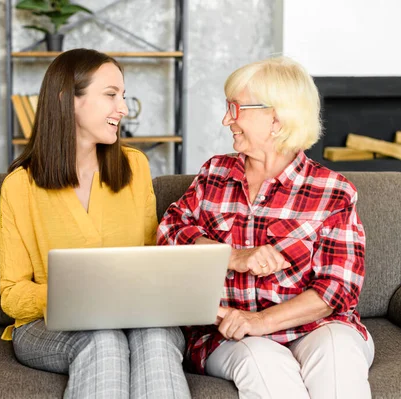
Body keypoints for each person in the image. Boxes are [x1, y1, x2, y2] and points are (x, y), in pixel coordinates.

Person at [157, 56, 374, 399]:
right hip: (227, 334)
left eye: (236, 107)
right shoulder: (215, 175)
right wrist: (232, 257)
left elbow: (337, 289)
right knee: (264, 363)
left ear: (276, 118)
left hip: (314, 327)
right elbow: (168, 231)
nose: (226, 119)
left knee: (338, 353)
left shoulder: (332, 191)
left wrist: (259, 322)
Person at [0, 48, 190, 399]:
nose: (124, 109)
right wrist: (78, 296)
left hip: (138, 318)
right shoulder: (20, 187)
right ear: (67, 100)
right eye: (111, 95)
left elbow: (154, 257)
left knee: (158, 338)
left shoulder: (135, 168)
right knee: (103, 340)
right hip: (49, 326)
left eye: (124, 96)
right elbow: (12, 295)